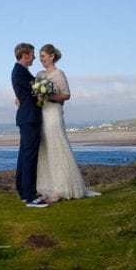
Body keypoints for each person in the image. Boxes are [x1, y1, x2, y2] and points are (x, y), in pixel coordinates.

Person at [34, 44, 100, 201]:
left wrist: (48, 96)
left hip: (53, 113)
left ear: (52, 56)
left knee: (57, 146)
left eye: (43, 56)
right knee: (45, 148)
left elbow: (66, 95)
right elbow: (35, 92)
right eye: (40, 56)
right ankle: (47, 187)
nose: (41, 59)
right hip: (41, 112)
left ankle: (62, 188)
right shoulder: (39, 74)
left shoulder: (59, 74)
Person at [11, 42, 48, 208]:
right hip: (29, 118)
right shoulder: (20, 72)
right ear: (24, 55)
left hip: (26, 117)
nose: (34, 57)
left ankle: (23, 192)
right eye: (32, 54)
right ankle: (30, 196)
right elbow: (44, 89)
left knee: (24, 156)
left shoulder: (20, 71)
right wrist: (50, 78)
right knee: (29, 157)